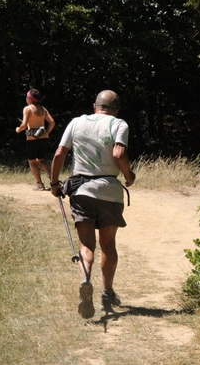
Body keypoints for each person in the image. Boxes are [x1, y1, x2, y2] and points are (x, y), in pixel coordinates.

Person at [50, 90, 135, 319]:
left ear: (94, 106)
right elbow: (118, 154)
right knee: (108, 244)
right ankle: (107, 292)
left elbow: (59, 153)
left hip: (81, 191)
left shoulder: (77, 122)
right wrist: (129, 175)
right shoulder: (119, 124)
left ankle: (85, 280)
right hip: (109, 190)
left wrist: (54, 182)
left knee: (86, 244)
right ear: (117, 109)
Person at [16, 88, 55, 190]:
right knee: (41, 160)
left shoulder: (27, 109)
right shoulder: (43, 109)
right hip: (44, 138)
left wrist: (18, 130)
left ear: (29, 98)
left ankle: (39, 184)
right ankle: (52, 177)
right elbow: (52, 122)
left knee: (32, 162)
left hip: (32, 139)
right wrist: (47, 132)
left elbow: (24, 125)